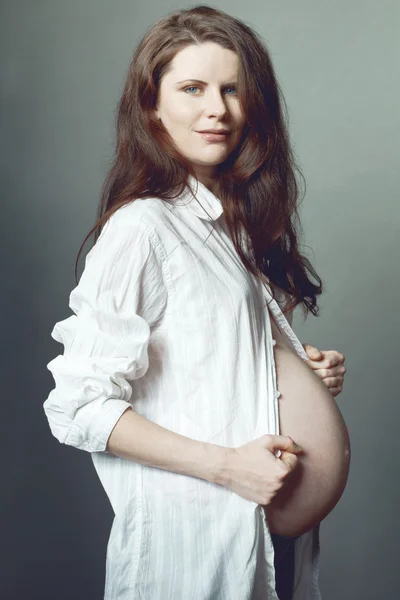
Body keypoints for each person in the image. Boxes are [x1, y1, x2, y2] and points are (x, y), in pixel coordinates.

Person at [43, 5, 347, 599]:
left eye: (232, 89)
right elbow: (77, 407)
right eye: (193, 88)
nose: (218, 109)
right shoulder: (144, 228)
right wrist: (229, 465)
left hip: (267, 545)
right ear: (151, 104)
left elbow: (209, 371)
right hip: (199, 545)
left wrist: (299, 377)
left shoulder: (226, 227)